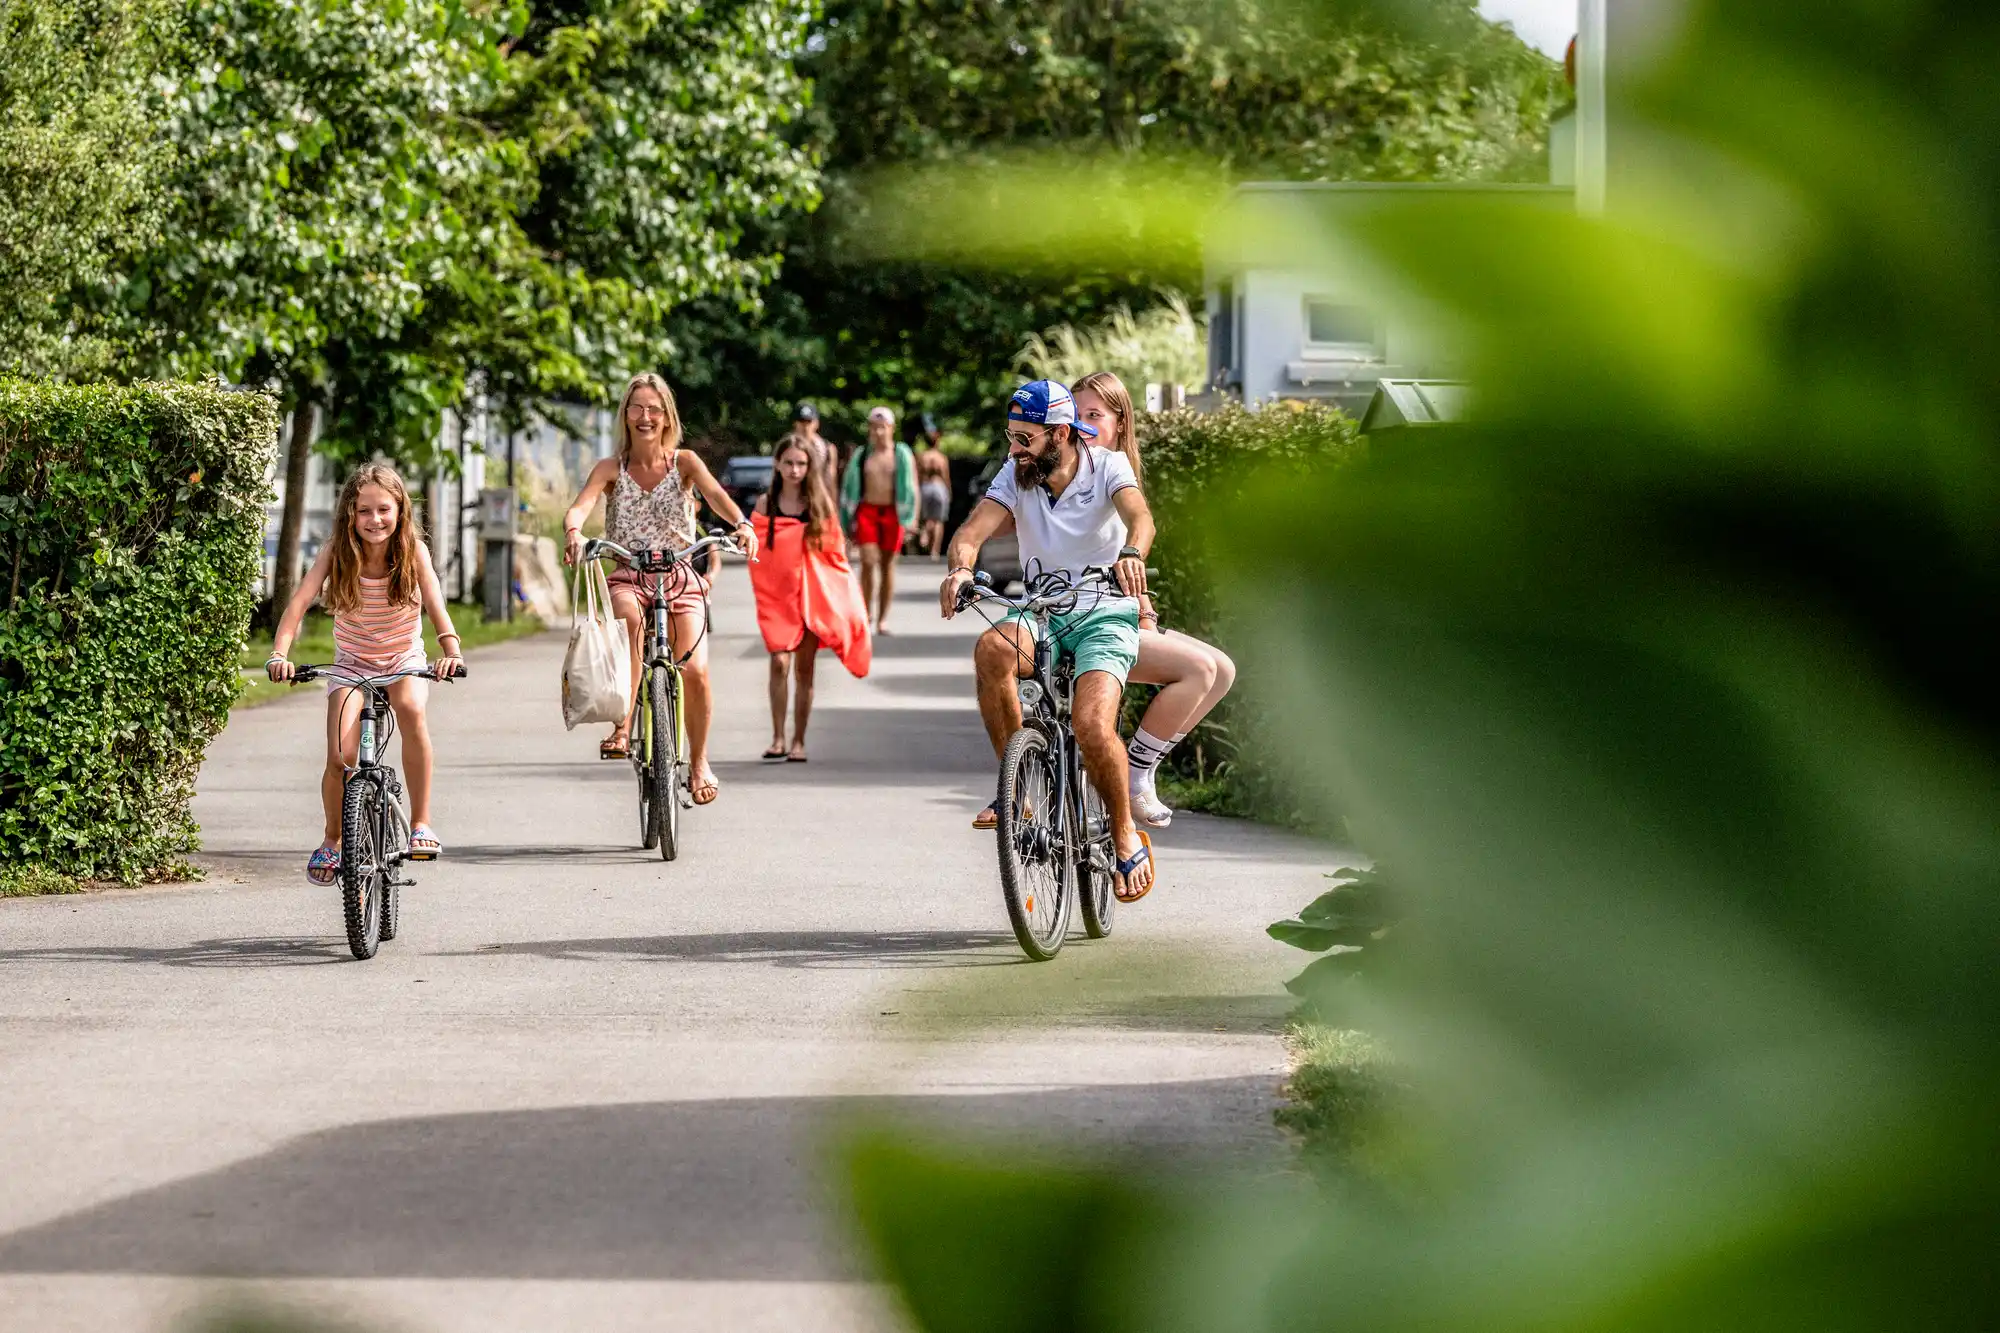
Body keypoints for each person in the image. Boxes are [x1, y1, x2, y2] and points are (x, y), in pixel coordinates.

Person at [940, 380, 1158, 902]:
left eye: (1025, 438)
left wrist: (1132, 553)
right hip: (1042, 612)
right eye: (1011, 436)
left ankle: (1124, 830)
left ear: (1059, 433)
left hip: (1103, 614)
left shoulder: (1106, 466)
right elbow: (970, 534)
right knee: (992, 648)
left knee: (1089, 723)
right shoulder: (1017, 474)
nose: (1015, 448)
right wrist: (959, 572)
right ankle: (1018, 794)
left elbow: (1140, 518)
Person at [561, 373, 760, 806]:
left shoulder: (684, 462)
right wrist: (574, 532)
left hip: (681, 576)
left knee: (697, 671)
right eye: (637, 408)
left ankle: (701, 761)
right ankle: (623, 724)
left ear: (667, 416)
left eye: (654, 408)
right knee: (629, 619)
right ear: (625, 415)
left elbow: (715, 497)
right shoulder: (611, 468)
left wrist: (742, 524)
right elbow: (581, 505)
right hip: (629, 574)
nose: (645, 417)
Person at [266, 463, 466, 884]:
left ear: (400, 511)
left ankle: (421, 823)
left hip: (402, 661)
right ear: (349, 515)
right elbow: (297, 605)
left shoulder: (413, 552)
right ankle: (333, 840)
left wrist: (451, 649)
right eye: (364, 511)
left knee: (411, 709)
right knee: (341, 755)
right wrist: (279, 653)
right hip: (351, 664)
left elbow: (435, 605)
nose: (375, 520)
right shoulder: (336, 552)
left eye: (384, 510)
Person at [1071, 371, 1237, 829]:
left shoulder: (1114, 470)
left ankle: (1141, 766)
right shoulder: (1079, 468)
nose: (1083, 425)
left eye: (1094, 415)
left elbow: (1119, 547)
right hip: (1088, 619)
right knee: (1201, 670)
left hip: (1114, 608)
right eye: (1076, 415)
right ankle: (1135, 773)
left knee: (1222, 670)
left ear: (1120, 423)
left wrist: (1140, 600)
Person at [749, 436, 873, 761]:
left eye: (801, 464)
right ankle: (777, 737)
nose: (794, 470)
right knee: (778, 663)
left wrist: (843, 599)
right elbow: (757, 553)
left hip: (811, 598)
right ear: (777, 464)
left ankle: (798, 741)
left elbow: (834, 558)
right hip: (778, 597)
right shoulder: (766, 504)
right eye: (788, 462)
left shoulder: (819, 504)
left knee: (805, 670)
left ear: (809, 466)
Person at [841, 405, 918, 634]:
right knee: (867, 560)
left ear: (891, 428)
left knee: (887, 566)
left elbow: (912, 487)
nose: (878, 432)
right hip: (868, 511)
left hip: (893, 513)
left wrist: (912, 518)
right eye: (874, 427)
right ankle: (865, 613)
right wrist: (846, 518)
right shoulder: (863, 455)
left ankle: (882, 619)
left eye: (882, 427)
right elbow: (848, 487)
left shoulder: (901, 454)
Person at [915, 413, 952, 558]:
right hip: (939, 488)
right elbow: (946, 477)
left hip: (925, 487)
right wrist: (948, 492)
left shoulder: (922, 456)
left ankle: (924, 535)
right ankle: (934, 551)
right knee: (938, 521)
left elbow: (917, 476)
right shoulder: (941, 458)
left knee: (927, 519)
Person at [792, 401, 836, 500]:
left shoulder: (827, 449)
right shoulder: (787, 448)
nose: (805, 426)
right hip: (792, 500)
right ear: (795, 423)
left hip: (818, 499)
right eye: (801, 422)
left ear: (816, 423)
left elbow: (831, 482)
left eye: (809, 422)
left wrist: (833, 510)